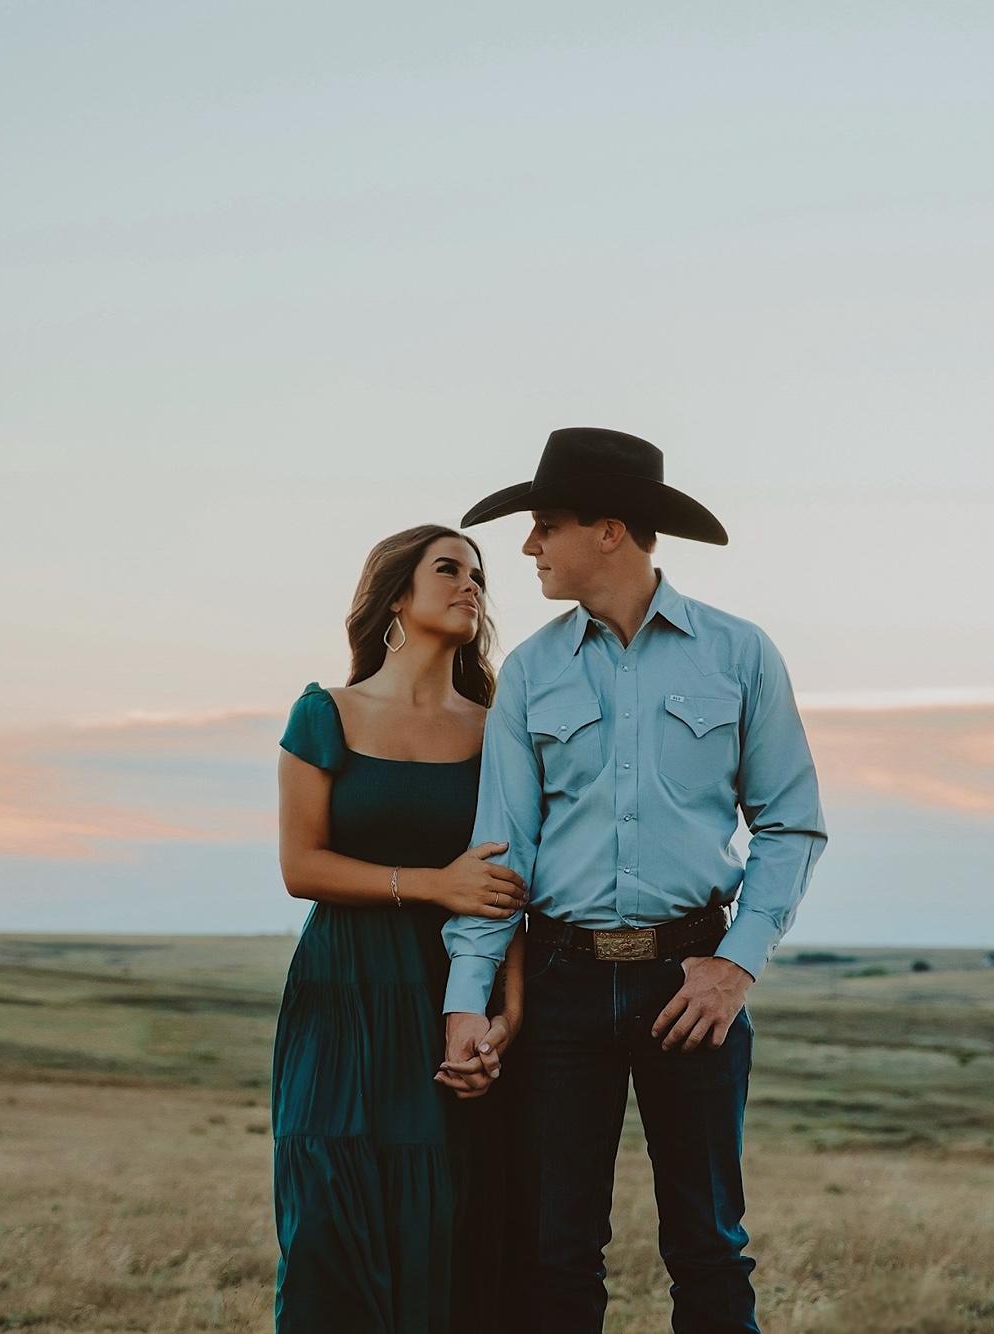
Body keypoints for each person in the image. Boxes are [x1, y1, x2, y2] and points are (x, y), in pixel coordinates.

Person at [437, 428, 827, 1333]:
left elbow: (792, 823)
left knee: (708, 1245)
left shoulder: (739, 654)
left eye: (546, 525)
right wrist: (466, 1000)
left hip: (690, 982)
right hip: (562, 986)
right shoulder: (530, 672)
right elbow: (500, 858)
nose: (528, 547)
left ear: (609, 530)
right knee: (556, 1249)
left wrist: (735, 966)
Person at [271, 524, 526, 1334]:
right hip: (341, 993)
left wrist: (509, 1014)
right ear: (394, 597)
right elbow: (301, 866)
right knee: (327, 1217)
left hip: (452, 992)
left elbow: (518, 885)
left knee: (448, 1220)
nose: (469, 585)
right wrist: (432, 884)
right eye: (447, 569)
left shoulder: (499, 731)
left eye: (477, 575)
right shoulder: (326, 714)